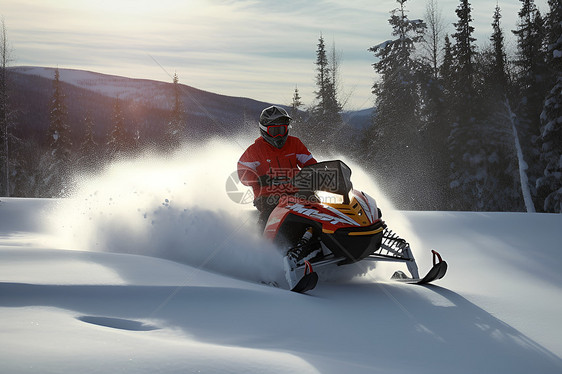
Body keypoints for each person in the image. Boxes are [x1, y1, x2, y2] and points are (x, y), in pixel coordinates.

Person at [237, 105, 317, 228]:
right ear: (264, 130)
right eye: (274, 132)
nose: (279, 136)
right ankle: (263, 241)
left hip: (297, 190)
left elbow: (309, 162)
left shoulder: (294, 143)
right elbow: (243, 171)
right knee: (271, 209)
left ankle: (322, 235)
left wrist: (315, 173)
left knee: (316, 205)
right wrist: (258, 179)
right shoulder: (255, 150)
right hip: (268, 194)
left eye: (282, 130)